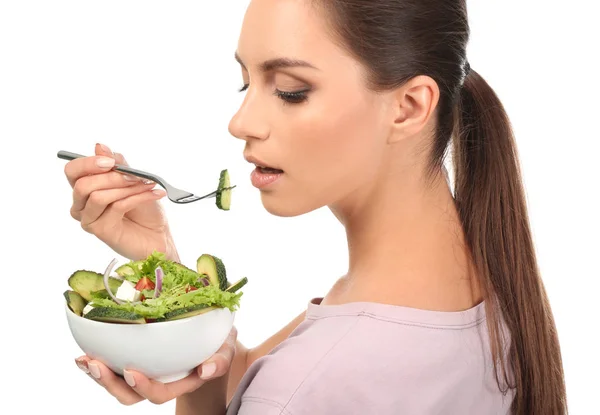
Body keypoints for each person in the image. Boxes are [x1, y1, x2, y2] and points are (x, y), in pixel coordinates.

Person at [63, 0, 567, 414]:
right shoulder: (481, 283)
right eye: (246, 82)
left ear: (410, 106)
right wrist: (166, 270)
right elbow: (255, 383)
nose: (241, 122)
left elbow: (285, 392)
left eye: (291, 91)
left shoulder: (316, 380)